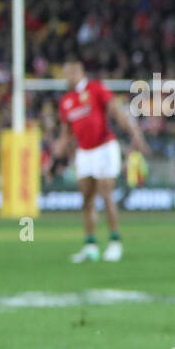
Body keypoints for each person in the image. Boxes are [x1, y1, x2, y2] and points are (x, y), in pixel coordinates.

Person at [56, 59, 152, 263]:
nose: (67, 77)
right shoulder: (66, 101)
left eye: (69, 73)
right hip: (84, 152)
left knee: (106, 193)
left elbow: (117, 112)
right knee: (87, 199)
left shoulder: (96, 88)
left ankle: (115, 242)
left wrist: (135, 133)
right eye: (65, 74)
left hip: (104, 148)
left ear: (79, 71)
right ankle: (90, 245)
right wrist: (55, 157)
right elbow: (66, 134)